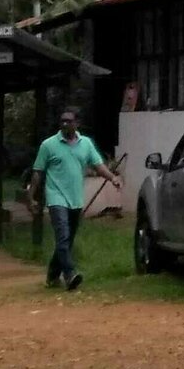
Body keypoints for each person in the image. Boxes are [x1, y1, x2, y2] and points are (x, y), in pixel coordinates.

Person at [26, 108, 116, 290]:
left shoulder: (86, 144)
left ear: (77, 123)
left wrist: (113, 178)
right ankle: (70, 275)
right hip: (56, 197)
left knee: (66, 241)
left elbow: (98, 166)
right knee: (63, 236)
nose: (65, 124)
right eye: (62, 121)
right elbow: (38, 173)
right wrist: (31, 197)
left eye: (69, 121)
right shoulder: (48, 145)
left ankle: (52, 276)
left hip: (75, 199)